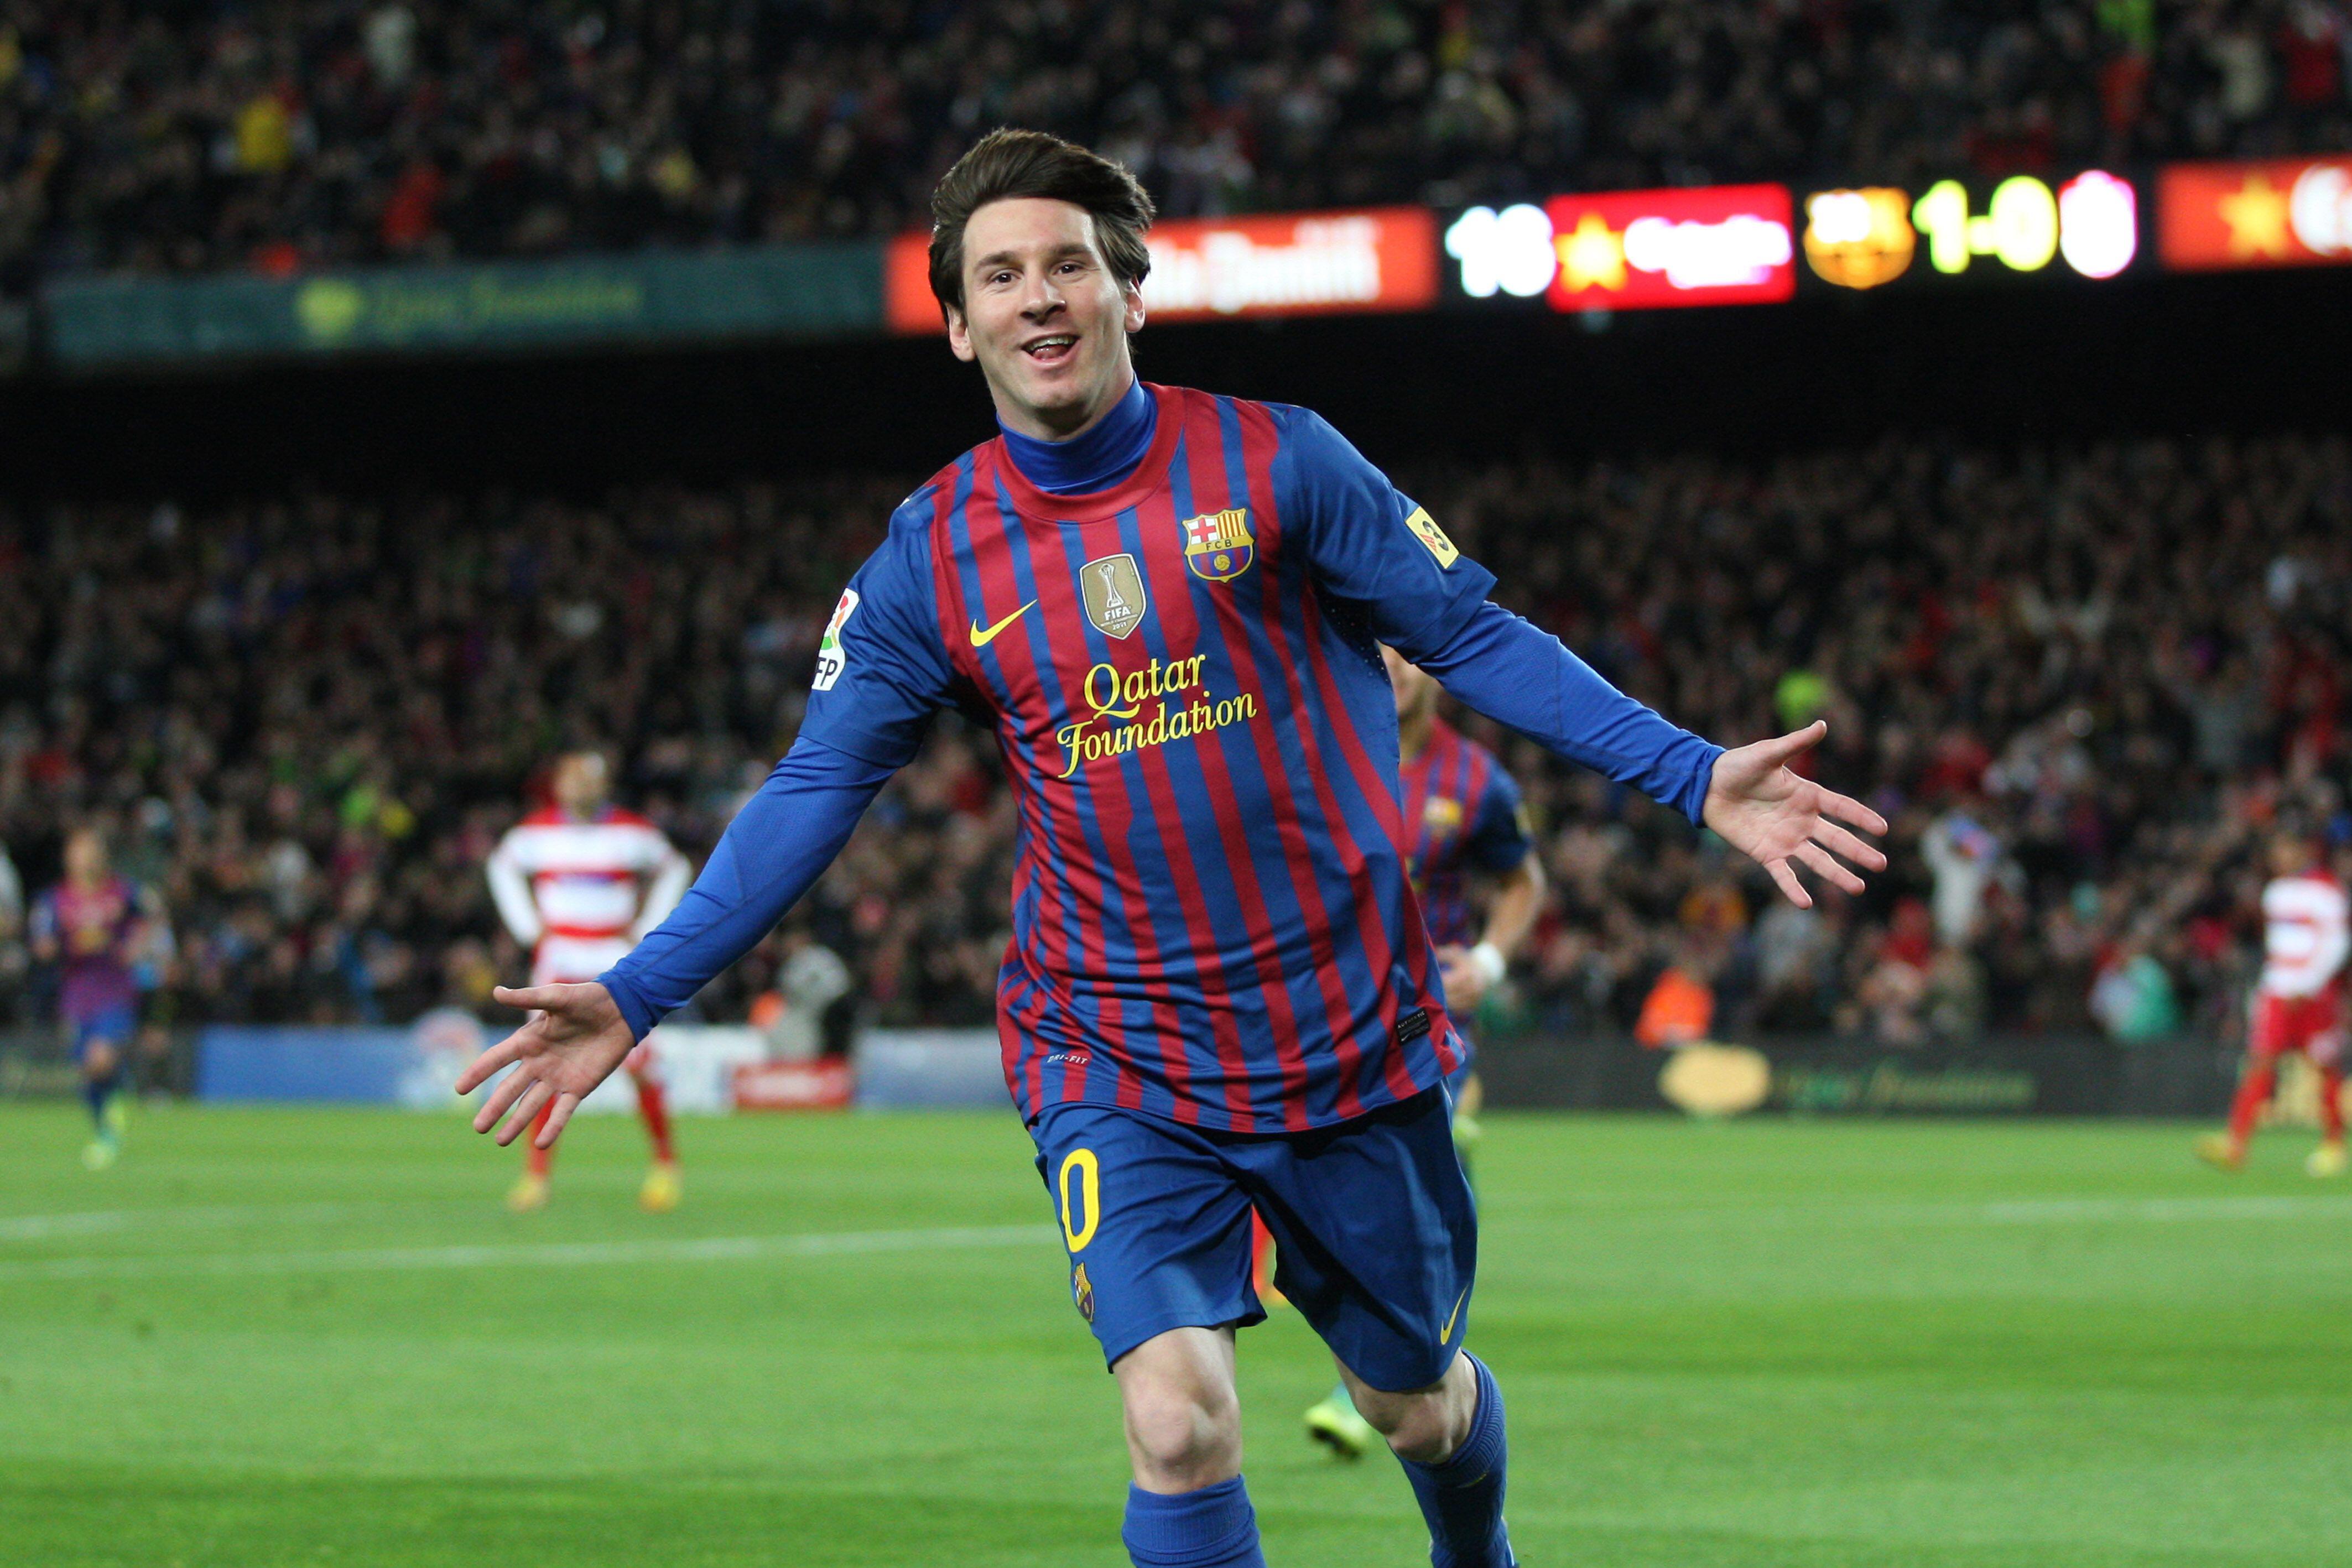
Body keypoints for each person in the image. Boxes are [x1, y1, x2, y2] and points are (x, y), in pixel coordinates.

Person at [455, 129, 1886, 1568]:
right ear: (957, 323)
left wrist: (1693, 772)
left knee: (1413, 1403)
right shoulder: (930, 554)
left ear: (1126, 287)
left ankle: (1475, 1550)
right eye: (998, 275)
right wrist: (643, 987)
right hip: (1114, 1046)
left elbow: (1465, 636)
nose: (1037, 298)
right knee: (1178, 1423)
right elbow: (819, 782)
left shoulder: (1281, 459)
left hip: (1344, 1039)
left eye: (1066, 264)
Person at [1298, 647, 1544, 1461]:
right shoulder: (1313, 747)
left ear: (1435, 670)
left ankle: (1384, 1367)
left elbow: (1522, 881)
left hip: (1418, 1019)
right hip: (1317, 1019)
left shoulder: (1476, 780)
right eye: (1376, 649)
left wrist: (1491, 962)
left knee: (1428, 1141)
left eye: (1407, 650)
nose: (1393, 664)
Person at [485, 751, 691, 1211]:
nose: (578, 786)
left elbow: (675, 868)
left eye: (587, 779)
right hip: (558, 958)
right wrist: (526, 926)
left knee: (638, 1064)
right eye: (571, 778)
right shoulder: (534, 834)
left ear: (603, 785)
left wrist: (649, 927)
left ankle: (665, 1165)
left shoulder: (631, 833)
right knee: (543, 1060)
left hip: (613, 958)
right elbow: (500, 867)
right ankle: (535, 1177)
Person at [2198, 829, 2349, 1176]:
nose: (2280, 858)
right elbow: (2278, 947)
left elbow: (2337, 943)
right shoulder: (2276, 892)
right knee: (2260, 1061)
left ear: (2304, 851)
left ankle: (2334, 1144)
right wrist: (2268, 987)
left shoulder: (2326, 891)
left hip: (2314, 994)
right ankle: (2236, 1144)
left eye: (2287, 849)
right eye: (2276, 851)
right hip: (2278, 991)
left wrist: (2310, 983)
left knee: (2325, 1066)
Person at [29, 826, 169, 1169]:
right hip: (77, 992)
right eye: (79, 851)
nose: (86, 858)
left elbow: (153, 915)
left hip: (115, 988)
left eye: (91, 850)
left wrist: (136, 946)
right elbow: (42, 944)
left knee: (98, 1058)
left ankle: (115, 1096)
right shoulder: (56, 899)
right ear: (69, 858)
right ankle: (107, 1125)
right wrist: (62, 945)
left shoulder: (123, 891)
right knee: (88, 1070)